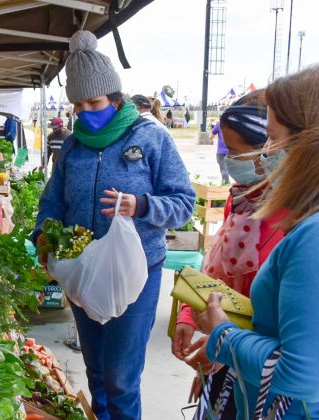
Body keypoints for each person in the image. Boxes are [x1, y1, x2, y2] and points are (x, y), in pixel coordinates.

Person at [34, 31, 195, 420]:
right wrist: (42, 234)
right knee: (95, 369)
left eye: (96, 102)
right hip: (85, 272)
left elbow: (183, 204)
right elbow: (53, 201)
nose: (88, 111)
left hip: (136, 275)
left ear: (116, 99)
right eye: (80, 105)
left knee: (121, 377)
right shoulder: (73, 146)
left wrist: (141, 205)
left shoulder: (151, 138)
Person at [195, 64, 319, 419]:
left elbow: (306, 376)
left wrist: (222, 335)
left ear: (312, 145)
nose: (265, 153)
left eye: (273, 138)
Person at [171, 90, 286, 418]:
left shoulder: (295, 219)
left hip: (259, 376)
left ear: (269, 148)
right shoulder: (241, 200)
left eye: (235, 152)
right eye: (226, 150)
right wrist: (189, 316)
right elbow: (218, 273)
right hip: (228, 357)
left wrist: (221, 342)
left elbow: (269, 316)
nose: (227, 160)